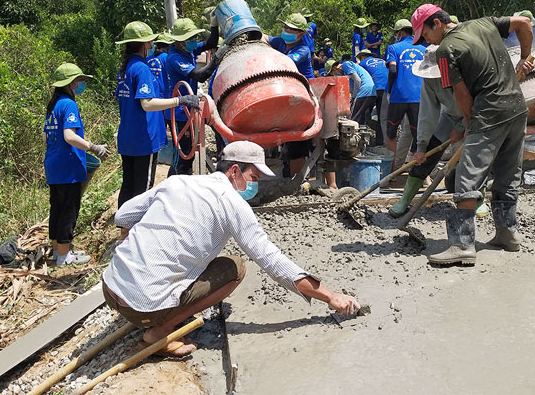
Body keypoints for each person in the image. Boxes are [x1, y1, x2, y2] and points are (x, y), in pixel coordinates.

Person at [102, 141, 360, 356]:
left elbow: (123, 216)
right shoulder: (233, 206)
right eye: (253, 177)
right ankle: (159, 332)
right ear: (234, 171)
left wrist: (132, 236)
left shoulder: (177, 182)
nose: (253, 185)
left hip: (109, 287)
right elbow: (272, 260)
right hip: (141, 309)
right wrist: (329, 295)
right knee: (235, 267)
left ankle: (149, 305)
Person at [411, 4, 534, 266]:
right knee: (508, 172)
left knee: (468, 177)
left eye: (424, 35)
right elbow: (524, 22)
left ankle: (462, 245)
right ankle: (507, 234)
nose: (425, 43)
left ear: (436, 23)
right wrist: (525, 57)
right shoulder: (483, 22)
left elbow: (462, 94)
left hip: (488, 113)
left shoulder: (445, 51)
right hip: (517, 108)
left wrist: (469, 123)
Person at [116, 21, 203, 212]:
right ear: (146, 44)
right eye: (150, 42)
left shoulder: (124, 70)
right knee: (143, 189)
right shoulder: (141, 69)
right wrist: (180, 101)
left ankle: (124, 230)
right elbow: (147, 104)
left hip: (127, 137)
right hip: (143, 138)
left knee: (128, 184)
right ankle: (136, 233)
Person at [387, 46, 467, 218]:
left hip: (475, 116)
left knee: (470, 156)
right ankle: (405, 200)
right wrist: (421, 146)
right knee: (427, 154)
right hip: (451, 115)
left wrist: (461, 129)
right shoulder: (429, 82)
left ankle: (476, 197)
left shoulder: (463, 74)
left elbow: (475, 104)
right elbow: (427, 113)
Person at [44, 63, 109, 266]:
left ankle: (57, 251)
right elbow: (69, 135)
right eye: (79, 80)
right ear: (70, 83)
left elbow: (47, 138)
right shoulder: (68, 105)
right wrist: (93, 147)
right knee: (69, 209)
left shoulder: (53, 106)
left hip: (54, 165)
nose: (81, 83)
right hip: (68, 166)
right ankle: (65, 256)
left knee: (57, 207)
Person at [165, 17, 220, 176]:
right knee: (182, 155)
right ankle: (176, 185)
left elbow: (210, 43)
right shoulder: (175, 58)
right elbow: (199, 76)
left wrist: (214, 25)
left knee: (188, 153)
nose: (194, 41)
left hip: (187, 109)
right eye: (191, 39)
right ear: (180, 41)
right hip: (178, 112)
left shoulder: (187, 51)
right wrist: (216, 59)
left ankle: (183, 183)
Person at [266, 13, 315, 176]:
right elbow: (264, 37)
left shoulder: (303, 50)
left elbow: (286, 63)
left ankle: (296, 182)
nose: (285, 31)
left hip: (302, 100)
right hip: (285, 97)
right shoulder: (280, 42)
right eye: (285, 27)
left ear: (300, 34)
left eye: (290, 29)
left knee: (297, 142)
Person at [384, 18, 426, 170]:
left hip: (399, 95)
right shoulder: (423, 49)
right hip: (419, 96)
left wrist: (389, 90)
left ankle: (391, 171)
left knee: (391, 133)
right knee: (419, 136)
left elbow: (393, 70)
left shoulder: (393, 48)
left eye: (396, 33)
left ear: (400, 33)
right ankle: (423, 175)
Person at [327, 57, 377, 129]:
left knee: (352, 120)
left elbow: (358, 81)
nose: (334, 75)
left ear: (334, 68)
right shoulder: (345, 73)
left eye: (332, 73)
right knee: (361, 118)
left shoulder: (346, 65)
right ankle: (362, 136)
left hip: (364, 91)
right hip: (371, 92)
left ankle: (351, 138)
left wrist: (354, 97)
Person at [357, 49, 388, 145]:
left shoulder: (362, 64)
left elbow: (360, 81)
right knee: (382, 116)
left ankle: (361, 139)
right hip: (388, 87)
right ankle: (380, 141)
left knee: (362, 112)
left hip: (374, 88)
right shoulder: (382, 61)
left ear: (363, 57)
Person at [147, 32, 174, 101]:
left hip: (151, 95)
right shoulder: (167, 58)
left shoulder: (148, 58)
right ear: (169, 46)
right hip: (164, 96)